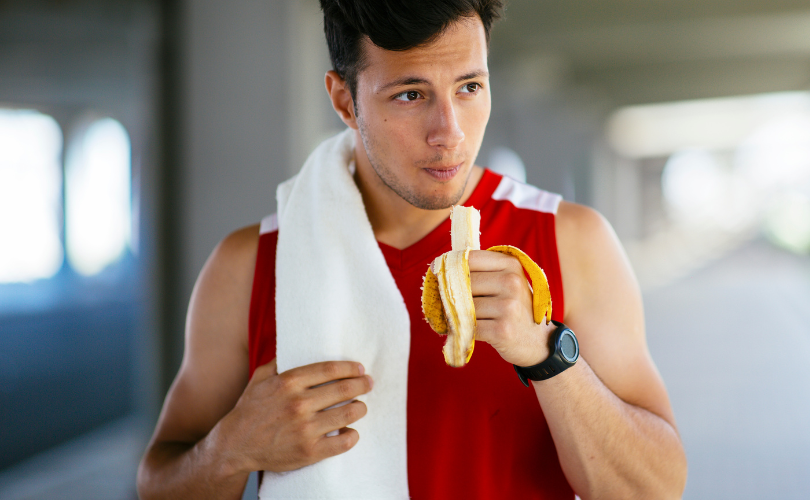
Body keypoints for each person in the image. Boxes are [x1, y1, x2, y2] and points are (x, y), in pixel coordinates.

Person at [136, 0, 686, 498]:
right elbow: (158, 483)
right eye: (411, 94)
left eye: (469, 87)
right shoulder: (249, 265)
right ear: (344, 100)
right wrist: (232, 448)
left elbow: (654, 490)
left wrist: (546, 354)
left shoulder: (570, 241)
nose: (449, 132)